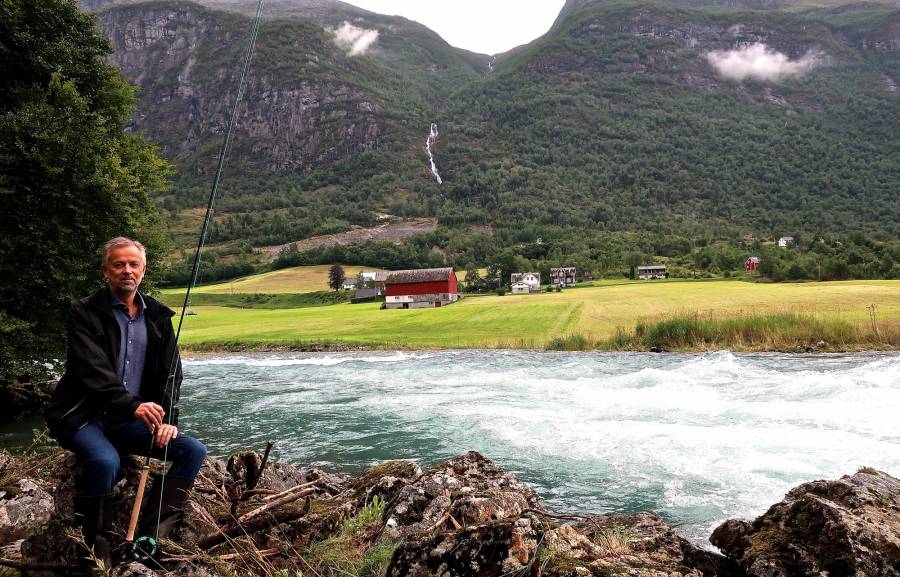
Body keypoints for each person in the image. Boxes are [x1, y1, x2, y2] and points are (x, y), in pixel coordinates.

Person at [45, 237, 207, 572]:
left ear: (143, 270)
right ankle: (95, 552)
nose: (127, 270)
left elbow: (171, 373)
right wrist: (133, 406)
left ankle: (150, 538)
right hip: (84, 416)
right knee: (106, 461)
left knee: (192, 451)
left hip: (130, 420)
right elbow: (92, 371)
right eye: (118, 264)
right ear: (106, 271)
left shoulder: (158, 316)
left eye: (134, 264)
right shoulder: (85, 312)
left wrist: (168, 418)